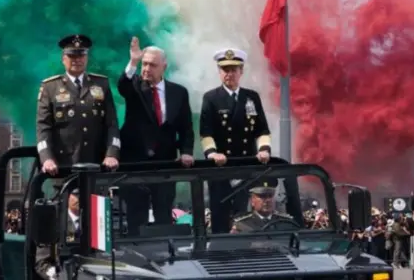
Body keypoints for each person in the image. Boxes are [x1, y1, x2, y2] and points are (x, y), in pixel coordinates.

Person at [118, 36, 194, 235]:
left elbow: (186, 127)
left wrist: (186, 151)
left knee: (164, 214)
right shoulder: (135, 86)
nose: (146, 69)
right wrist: (133, 61)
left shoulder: (179, 92)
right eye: (144, 64)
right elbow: (122, 87)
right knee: (137, 214)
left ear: (163, 67)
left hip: (165, 164)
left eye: (152, 65)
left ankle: (167, 256)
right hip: (136, 164)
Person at [199, 48, 272, 233]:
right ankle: (219, 255)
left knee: (245, 217)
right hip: (220, 169)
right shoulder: (211, 98)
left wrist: (264, 150)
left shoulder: (251, 97)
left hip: (246, 168)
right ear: (219, 72)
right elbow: (206, 133)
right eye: (225, 70)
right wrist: (212, 153)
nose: (229, 74)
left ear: (241, 71)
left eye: (233, 69)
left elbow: (262, 129)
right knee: (219, 216)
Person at [36, 34, 120, 175]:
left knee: (98, 197)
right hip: (64, 167)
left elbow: (112, 124)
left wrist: (112, 153)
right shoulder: (50, 87)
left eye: (81, 56)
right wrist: (47, 158)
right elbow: (43, 127)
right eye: (72, 56)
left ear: (86, 58)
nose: (77, 60)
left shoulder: (101, 84)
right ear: (63, 59)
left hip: (98, 165)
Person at [35, 189, 80, 279]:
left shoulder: (95, 220)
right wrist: (53, 274)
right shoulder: (55, 223)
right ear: (67, 196)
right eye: (76, 195)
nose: (79, 199)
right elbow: (42, 261)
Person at [230, 178, 297, 233]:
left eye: (270, 196)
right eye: (262, 196)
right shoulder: (242, 224)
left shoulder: (287, 222)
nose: (268, 200)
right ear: (252, 200)